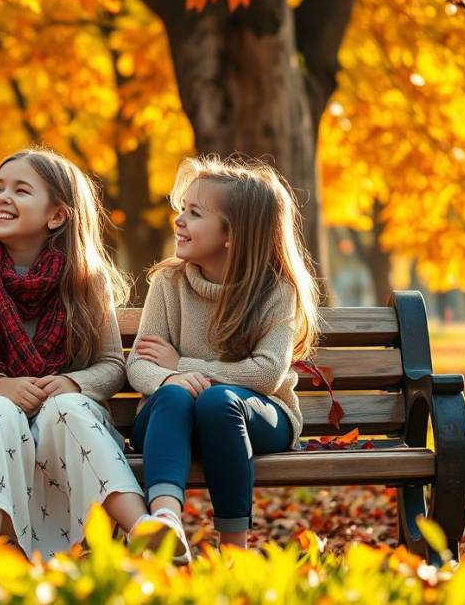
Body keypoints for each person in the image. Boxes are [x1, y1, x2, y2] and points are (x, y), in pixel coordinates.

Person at [0, 148, 165, 559]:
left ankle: (142, 528)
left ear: (56, 216)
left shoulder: (87, 280)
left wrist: (72, 383)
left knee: (68, 408)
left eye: (21, 190)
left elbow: (112, 366)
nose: (2, 197)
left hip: (62, 413)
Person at [127, 154, 320, 560]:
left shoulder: (276, 291)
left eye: (194, 213)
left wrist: (182, 365)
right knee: (178, 395)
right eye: (182, 209)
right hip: (170, 420)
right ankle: (166, 522)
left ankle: (234, 550)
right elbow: (141, 363)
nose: (179, 220)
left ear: (233, 234)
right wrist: (168, 378)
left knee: (217, 401)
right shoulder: (168, 283)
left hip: (256, 419)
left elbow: (267, 373)